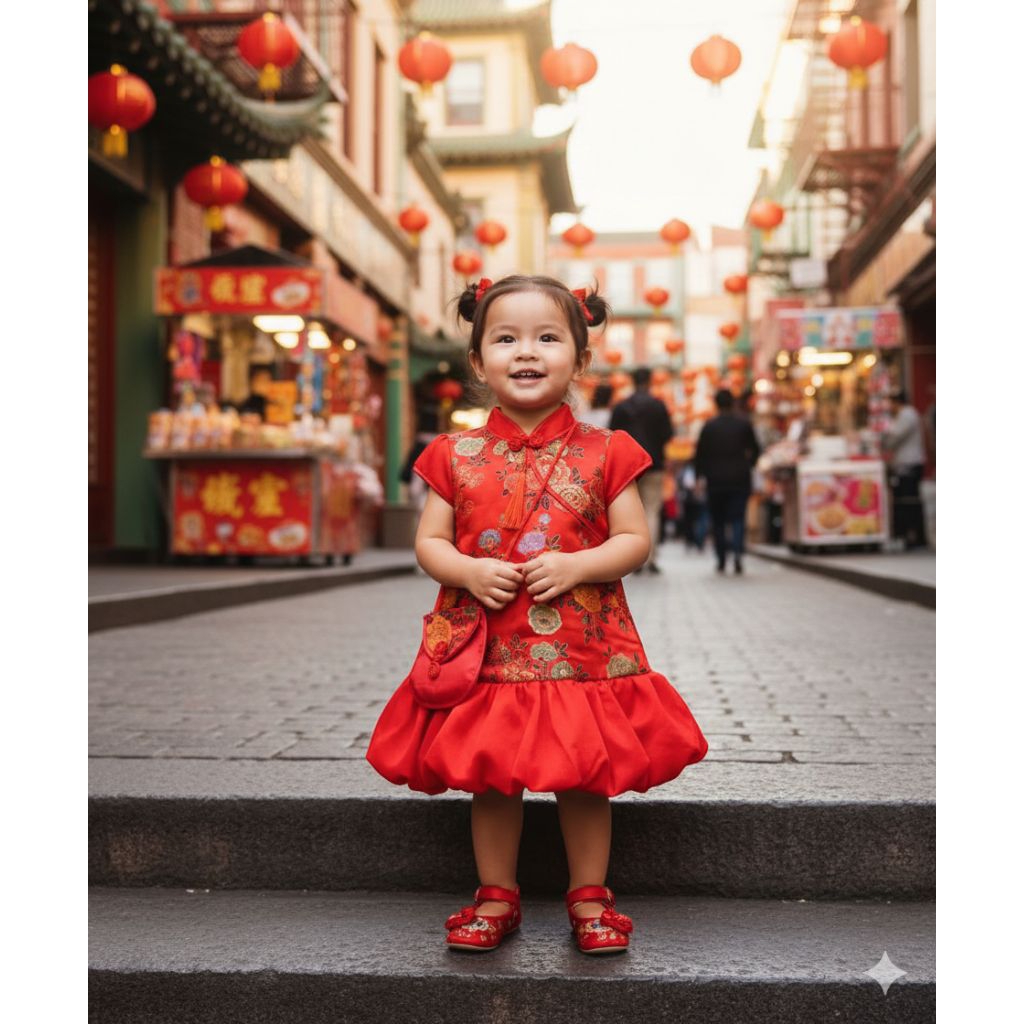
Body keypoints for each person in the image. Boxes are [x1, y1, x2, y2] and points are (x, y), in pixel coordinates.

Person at [365, 274, 708, 956]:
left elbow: (634, 540)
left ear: (580, 360)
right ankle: (497, 893)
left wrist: (579, 566)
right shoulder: (451, 455)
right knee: (492, 778)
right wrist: (465, 570)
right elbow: (429, 542)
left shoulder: (610, 451)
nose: (527, 352)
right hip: (488, 647)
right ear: (477, 360)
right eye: (507, 338)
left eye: (548, 338)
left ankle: (590, 896)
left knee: (585, 775)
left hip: (584, 650)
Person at [608, 366, 674, 573]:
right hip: (654, 464)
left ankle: (634, 560)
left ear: (632, 381)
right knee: (652, 510)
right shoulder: (658, 405)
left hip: (627, 466)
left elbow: (611, 434)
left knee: (629, 511)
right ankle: (650, 558)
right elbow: (668, 434)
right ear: (650, 381)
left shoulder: (622, 406)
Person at [695, 388, 762, 574]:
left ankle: (721, 559)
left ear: (716, 404)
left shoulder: (709, 426)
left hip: (715, 480)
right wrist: (749, 463)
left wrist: (699, 477)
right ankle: (738, 555)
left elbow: (700, 455)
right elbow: (756, 449)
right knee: (738, 518)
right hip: (740, 478)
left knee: (718, 521)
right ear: (732, 402)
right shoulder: (744, 424)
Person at [882, 390, 926, 549]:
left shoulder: (907, 415)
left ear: (897, 402)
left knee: (908, 501)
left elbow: (894, 437)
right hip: (904, 463)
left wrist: (884, 442)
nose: (889, 407)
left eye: (891, 403)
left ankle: (913, 536)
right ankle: (911, 536)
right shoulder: (904, 415)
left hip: (909, 464)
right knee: (905, 500)